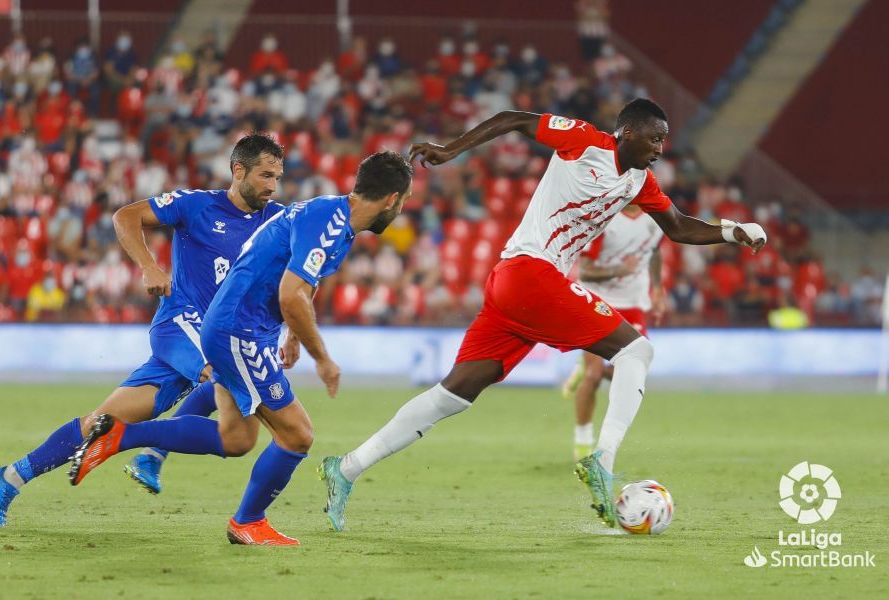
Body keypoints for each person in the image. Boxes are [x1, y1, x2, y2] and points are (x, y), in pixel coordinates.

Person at [319, 99, 767, 531]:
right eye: (654, 139)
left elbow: (680, 226)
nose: (659, 149)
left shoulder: (638, 183)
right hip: (530, 273)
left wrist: (732, 231)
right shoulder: (584, 141)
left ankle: (347, 468)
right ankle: (603, 460)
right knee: (637, 351)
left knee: (451, 395)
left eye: (663, 142)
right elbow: (515, 119)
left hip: (513, 286)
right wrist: (451, 149)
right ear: (627, 132)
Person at [68, 152, 413, 546]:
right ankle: (247, 521)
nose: (400, 210)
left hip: (244, 329)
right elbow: (290, 296)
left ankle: (119, 436)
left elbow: (301, 283)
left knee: (236, 438)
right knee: (297, 434)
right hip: (239, 331)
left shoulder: (334, 220)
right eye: (402, 203)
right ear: (391, 199)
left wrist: (294, 337)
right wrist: (324, 359)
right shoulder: (329, 223)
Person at [0, 134, 286, 526]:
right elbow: (125, 216)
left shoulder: (278, 221)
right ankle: (150, 453)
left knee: (106, 421)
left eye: (278, 177)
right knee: (222, 383)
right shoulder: (197, 206)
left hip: (224, 337)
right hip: (183, 324)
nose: (272, 185)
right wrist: (148, 265)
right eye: (265, 175)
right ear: (238, 170)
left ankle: (7, 479)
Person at [560, 203, 665, 460]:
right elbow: (585, 270)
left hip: (633, 304)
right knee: (594, 376)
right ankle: (583, 443)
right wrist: (619, 270)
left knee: (633, 374)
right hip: (597, 301)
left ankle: (584, 365)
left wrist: (658, 289)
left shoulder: (656, 217)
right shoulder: (604, 219)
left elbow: (653, 251)